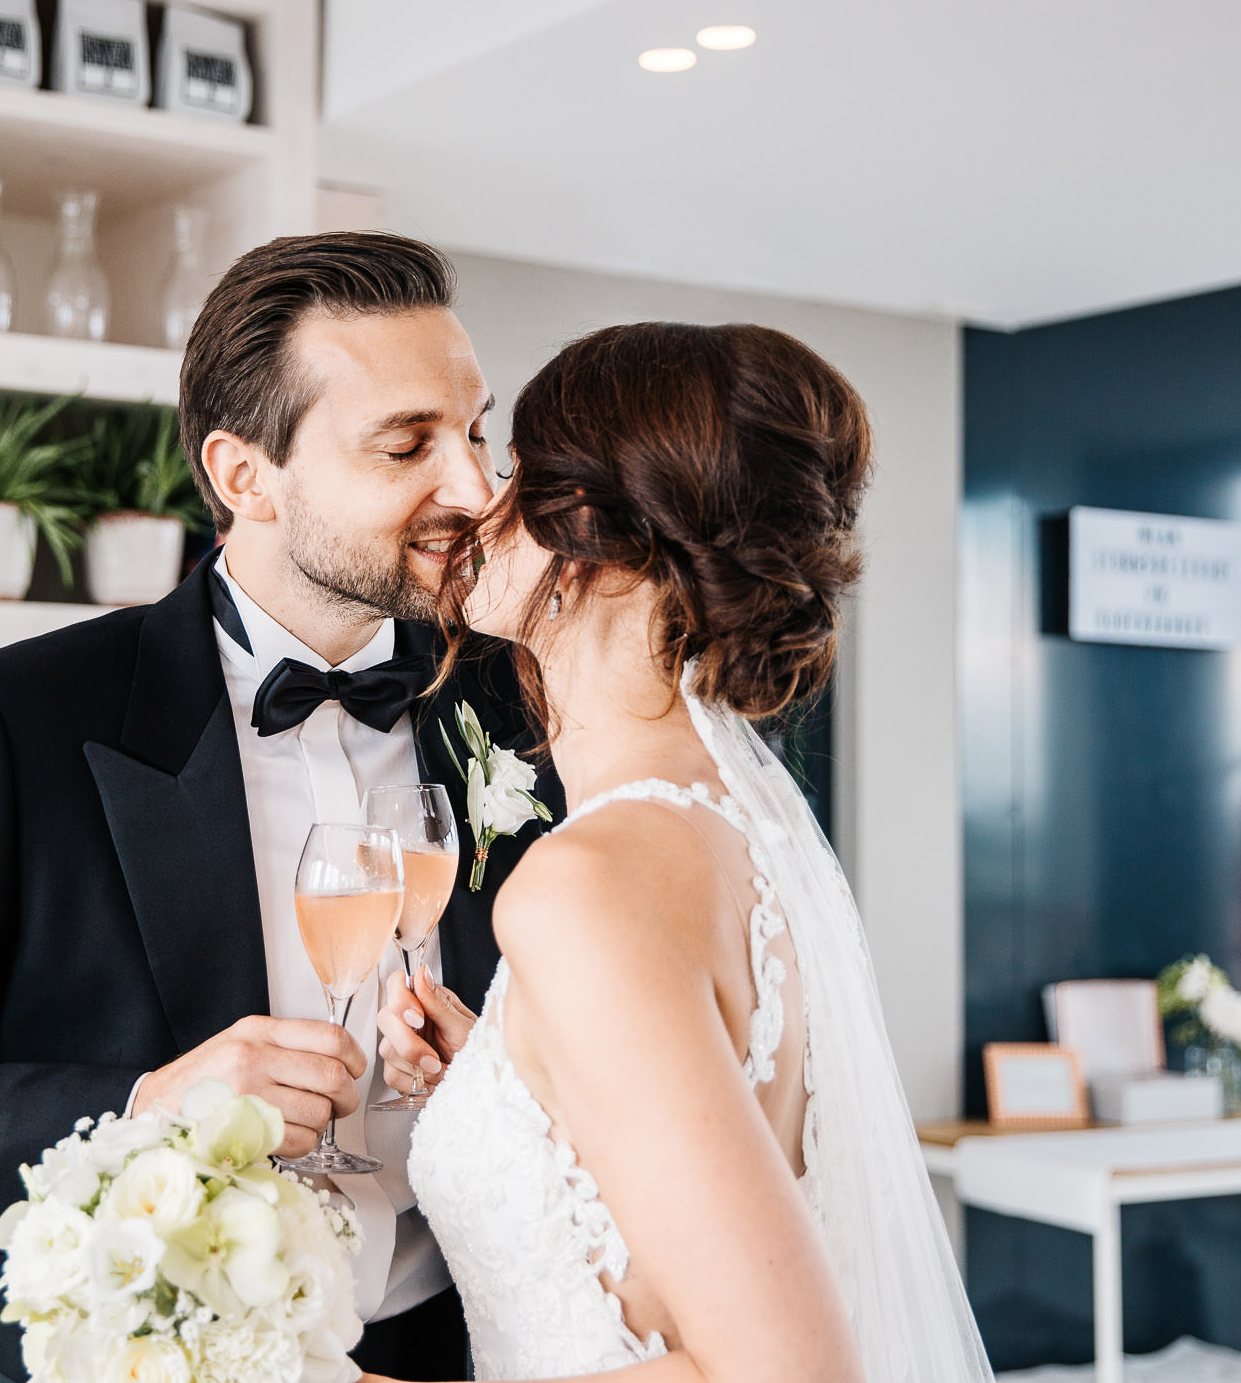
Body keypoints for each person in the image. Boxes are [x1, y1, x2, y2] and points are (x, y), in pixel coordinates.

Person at [0, 231, 558, 1383]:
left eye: (475, 431)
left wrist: (499, 1084)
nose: (474, 488)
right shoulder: (11, 722)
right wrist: (145, 1105)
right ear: (243, 477)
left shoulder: (519, 708)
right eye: (403, 445)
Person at [376, 323, 995, 1382]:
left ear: (594, 546)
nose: (485, 501)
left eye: (519, 471)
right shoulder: (728, 837)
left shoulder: (588, 884)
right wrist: (505, 1077)